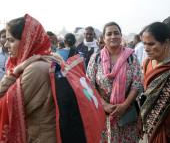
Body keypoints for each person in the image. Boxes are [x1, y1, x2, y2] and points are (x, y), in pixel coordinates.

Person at [0, 14, 105, 143]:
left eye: (11, 40)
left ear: (26, 41)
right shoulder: (52, 58)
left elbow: (4, 104)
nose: (5, 44)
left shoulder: (35, 69)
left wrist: (14, 73)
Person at [87, 22, 143, 143]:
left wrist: (124, 105)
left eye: (116, 33)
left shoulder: (131, 57)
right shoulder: (95, 58)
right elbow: (89, 85)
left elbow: (137, 83)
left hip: (126, 116)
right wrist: (104, 105)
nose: (113, 36)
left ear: (121, 35)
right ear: (103, 38)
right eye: (109, 34)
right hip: (103, 115)